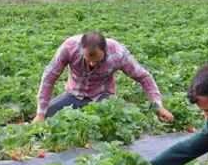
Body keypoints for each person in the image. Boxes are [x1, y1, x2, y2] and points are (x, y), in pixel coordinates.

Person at [32, 31, 175, 123]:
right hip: (74, 95)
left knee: (114, 121)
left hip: (103, 97)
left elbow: (144, 77)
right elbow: (49, 78)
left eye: (98, 60)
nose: (93, 63)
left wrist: (158, 106)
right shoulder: (69, 48)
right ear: (81, 49)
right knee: (48, 116)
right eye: (88, 59)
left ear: (105, 50)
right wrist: (40, 113)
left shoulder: (118, 53)